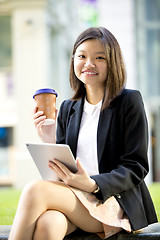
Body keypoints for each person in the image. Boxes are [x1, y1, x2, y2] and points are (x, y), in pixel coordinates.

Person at [9, 27, 157, 240]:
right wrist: (49, 140)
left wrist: (92, 184)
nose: (89, 63)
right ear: (73, 61)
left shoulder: (129, 101)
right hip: (75, 198)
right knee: (49, 223)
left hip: (113, 201)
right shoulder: (69, 108)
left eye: (99, 57)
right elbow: (66, 168)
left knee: (35, 190)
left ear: (113, 62)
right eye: (82, 56)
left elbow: (136, 166)